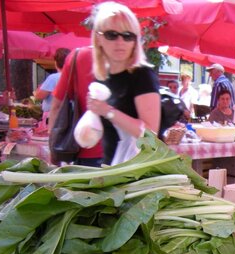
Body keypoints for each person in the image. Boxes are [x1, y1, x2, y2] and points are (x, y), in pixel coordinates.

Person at [85, 1, 161, 166]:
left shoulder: (142, 75)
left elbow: (150, 134)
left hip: (135, 174)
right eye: (112, 34)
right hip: (111, 166)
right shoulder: (102, 76)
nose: (120, 42)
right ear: (98, 38)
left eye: (128, 36)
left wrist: (107, 111)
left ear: (135, 41)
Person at [50, 46, 104, 167]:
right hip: (126, 153)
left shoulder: (78, 56)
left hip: (85, 147)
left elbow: (56, 106)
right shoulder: (130, 58)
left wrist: (53, 147)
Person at [34, 48, 70, 126]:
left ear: (56, 63)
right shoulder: (73, 77)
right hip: (70, 115)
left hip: (53, 115)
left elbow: (39, 96)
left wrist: (38, 90)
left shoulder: (53, 78)